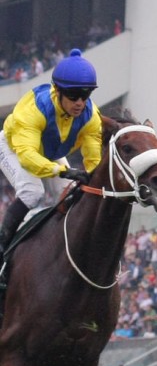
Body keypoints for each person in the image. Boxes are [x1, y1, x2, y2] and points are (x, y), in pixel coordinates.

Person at [0, 48, 101, 254]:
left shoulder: (91, 116)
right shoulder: (34, 110)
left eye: (85, 95)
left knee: (72, 193)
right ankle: (2, 248)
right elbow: (28, 157)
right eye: (73, 95)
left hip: (49, 153)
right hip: (14, 148)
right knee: (33, 192)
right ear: (58, 91)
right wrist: (62, 171)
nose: (80, 103)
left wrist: (96, 181)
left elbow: (93, 161)